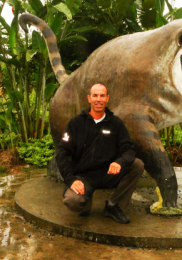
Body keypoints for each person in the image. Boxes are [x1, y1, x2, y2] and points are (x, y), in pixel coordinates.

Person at [56, 83, 144, 224]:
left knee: (137, 165)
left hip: (109, 174)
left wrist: (119, 162)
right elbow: (61, 153)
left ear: (107, 98)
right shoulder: (75, 123)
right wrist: (71, 180)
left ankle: (113, 206)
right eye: (95, 95)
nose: (98, 99)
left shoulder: (115, 123)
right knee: (73, 201)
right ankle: (85, 202)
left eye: (102, 96)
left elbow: (129, 149)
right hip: (84, 177)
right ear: (89, 98)